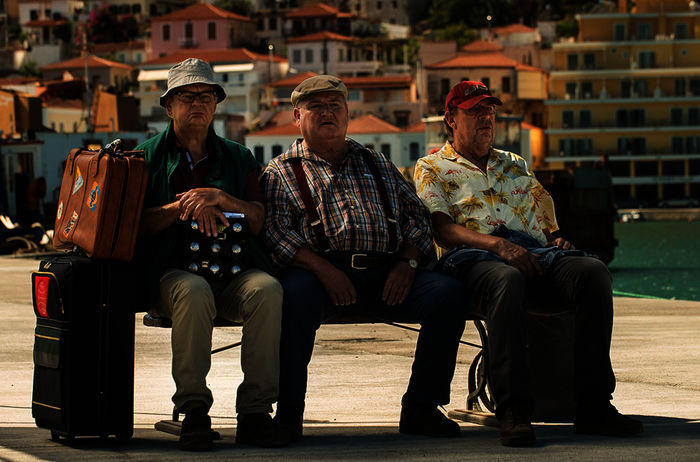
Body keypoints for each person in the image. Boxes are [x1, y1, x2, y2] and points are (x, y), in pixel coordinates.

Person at [413, 80, 644, 447]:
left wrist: (555, 242)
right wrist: (499, 246)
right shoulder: (431, 167)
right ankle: (514, 410)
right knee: (507, 279)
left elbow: (546, 224)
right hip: (471, 258)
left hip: (531, 254)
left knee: (592, 273)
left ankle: (594, 406)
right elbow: (443, 231)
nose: (484, 118)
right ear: (450, 120)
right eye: (473, 112)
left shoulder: (515, 164)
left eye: (488, 111)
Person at [262, 75, 466, 441]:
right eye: (316, 107)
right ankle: (289, 414)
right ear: (297, 116)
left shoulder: (375, 161)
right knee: (293, 297)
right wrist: (325, 270)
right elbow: (277, 234)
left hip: (389, 271)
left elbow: (417, 217)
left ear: (347, 114)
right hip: (320, 275)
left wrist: (408, 264)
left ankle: (421, 408)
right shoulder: (281, 170)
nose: (328, 113)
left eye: (335, 106)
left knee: (447, 294)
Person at [135, 58, 289, 451]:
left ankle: (256, 412)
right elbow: (131, 225)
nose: (197, 104)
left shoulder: (238, 157)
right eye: (187, 97)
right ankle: (194, 410)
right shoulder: (143, 158)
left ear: (217, 104)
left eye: (205, 96)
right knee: (193, 290)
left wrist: (220, 197)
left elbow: (257, 218)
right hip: (170, 276)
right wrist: (183, 206)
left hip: (234, 272)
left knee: (267, 289)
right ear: (168, 106)